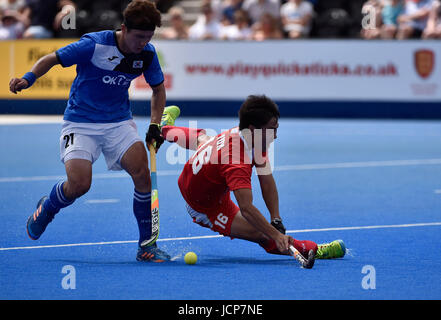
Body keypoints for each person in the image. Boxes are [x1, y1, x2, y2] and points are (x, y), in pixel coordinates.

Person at [9, 0, 171, 262]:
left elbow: (158, 89)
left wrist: (154, 124)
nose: (143, 43)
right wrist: (28, 78)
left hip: (118, 122)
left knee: (142, 175)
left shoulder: (148, 54)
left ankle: (146, 247)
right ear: (124, 29)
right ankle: (47, 208)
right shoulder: (94, 44)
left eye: (148, 37)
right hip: (80, 122)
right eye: (139, 37)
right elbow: (52, 58)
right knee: (79, 185)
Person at [160, 96, 346, 261]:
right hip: (203, 206)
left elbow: (266, 179)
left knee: (204, 139)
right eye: (272, 130)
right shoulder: (236, 162)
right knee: (262, 234)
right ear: (252, 128)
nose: (276, 135)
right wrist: (276, 235)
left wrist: (276, 219)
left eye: (277, 128)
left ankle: (164, 128)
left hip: (203, 179)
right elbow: (247, 209)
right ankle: (312, 249)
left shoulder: (247, 136)